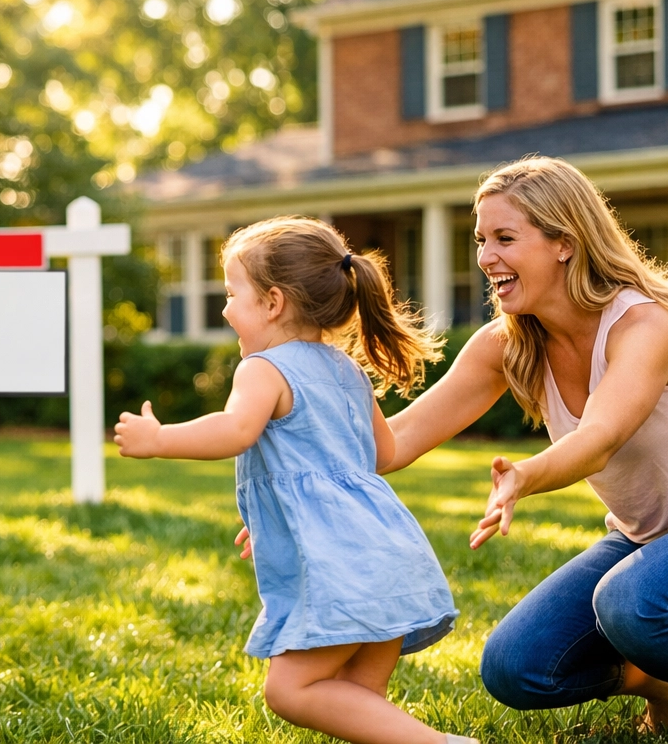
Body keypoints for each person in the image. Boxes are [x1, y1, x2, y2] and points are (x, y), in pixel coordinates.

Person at [381, 157, 668, 744]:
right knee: (515, 668)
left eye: (505, 238)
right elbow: (397, 441)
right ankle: (665, 678)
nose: (486, 257)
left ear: (564, 242)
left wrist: (524, 475)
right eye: (481, 239)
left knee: (629, 599)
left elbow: (599, 438)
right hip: (651, 539)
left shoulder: (645, 325)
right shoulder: (507, 345)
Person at [114, 217, 478, 744]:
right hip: (386, 555)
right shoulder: (346, 369)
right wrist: (289, 516)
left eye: (232, 293)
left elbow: (236, 430)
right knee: (358, 702)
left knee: (290, 691)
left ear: (273, 302)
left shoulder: (264, 368)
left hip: (342, 571)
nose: (224, 308)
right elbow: (384, 452)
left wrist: (160, 438)